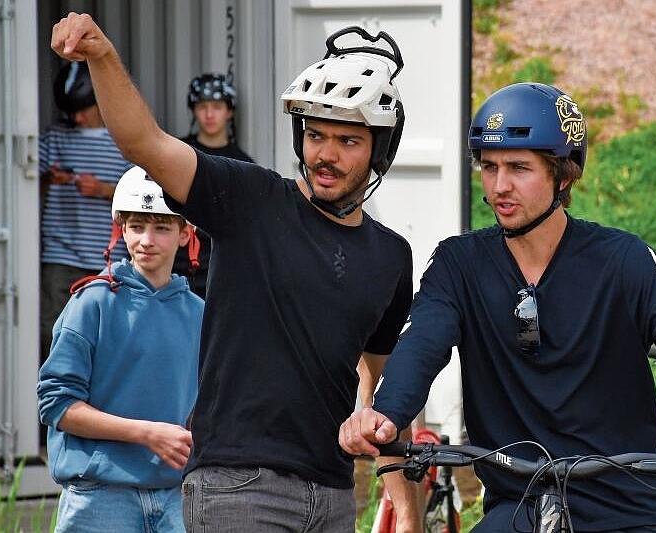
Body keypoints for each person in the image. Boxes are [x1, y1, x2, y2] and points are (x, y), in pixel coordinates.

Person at [50, 14, 421, 533]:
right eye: (315, 135)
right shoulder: (250, 200)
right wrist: (103, 56)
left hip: (336, 494)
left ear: (380, 150)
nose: (326, 155)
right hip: (239, 489)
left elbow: (384, 388)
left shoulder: (390, 256)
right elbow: (144, 144)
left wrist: (404, 505)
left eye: (348, 141)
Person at [339, 82, 656, 532]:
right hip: (519, 505)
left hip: (629, 507)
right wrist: (384, 414)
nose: (500, 186)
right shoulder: (458, 265)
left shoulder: (622, 261)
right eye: (489, 166)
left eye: (519, 167)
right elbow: (420, 345)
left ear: (563, 175)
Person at [37, 165, 204, 533]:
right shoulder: (91, 302)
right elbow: (56, 404)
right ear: (120, 230)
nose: (147, 240)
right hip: (99, 496)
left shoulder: (200, 314)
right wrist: (147, 434)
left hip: (176, 497)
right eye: (136, 226)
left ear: (184, 234)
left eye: (161, 227)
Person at [39, 60, 132, 367]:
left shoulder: (125, 142)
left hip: (108, 259)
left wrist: (104, 190)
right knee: (52, 334)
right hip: (60, 256)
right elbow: (25, 191)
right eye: (70, 111)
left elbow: (140, 194)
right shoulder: (54, 138)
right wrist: (48, 180)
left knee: (106, 340)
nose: (76, 117)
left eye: (83, 109)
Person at [175, 73, 255, 297]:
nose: (209, 114)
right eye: (202, 106)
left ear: (229, 111)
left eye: (217, 107)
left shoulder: (243, 163)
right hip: (174, 267)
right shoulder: (178, 153)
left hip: (221, 271)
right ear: (193, 109)